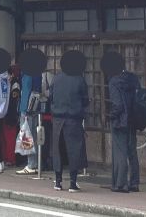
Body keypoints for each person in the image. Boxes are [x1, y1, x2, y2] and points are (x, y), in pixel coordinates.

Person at [50, 51, 89, 193]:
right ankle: (73, 183)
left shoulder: (56, 78)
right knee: (74, 150)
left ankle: (58, 182)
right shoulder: (79, 79)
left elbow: (51, 97)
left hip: (58, 119)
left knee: (57, 150)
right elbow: (85, 100)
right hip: (73, 119)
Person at [106, 53, 141, 193]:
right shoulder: (133, 78)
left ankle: (121, 183)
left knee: (120, 152)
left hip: (120, 121)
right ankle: (134, 183)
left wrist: (111, 116)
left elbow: (118, 105)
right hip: (132, 119)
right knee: (132, 152)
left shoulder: (113, 81)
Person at [16, 68, 40, 175]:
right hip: (35, 106)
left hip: (27, 109)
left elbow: (26, 91)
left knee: (27, 136)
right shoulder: (38, 73)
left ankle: (31, 164)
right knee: (34, 135)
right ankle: (35, 163)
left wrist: (24, 109)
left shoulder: (27, 74)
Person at [1, 65, 21, 167]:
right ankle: (5, 157)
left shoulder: (15, 84)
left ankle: (11, 159)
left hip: (11, 115)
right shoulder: (7, 83)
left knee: (10, 139)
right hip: (5, 113)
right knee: (4, 139)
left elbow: (14, 101)